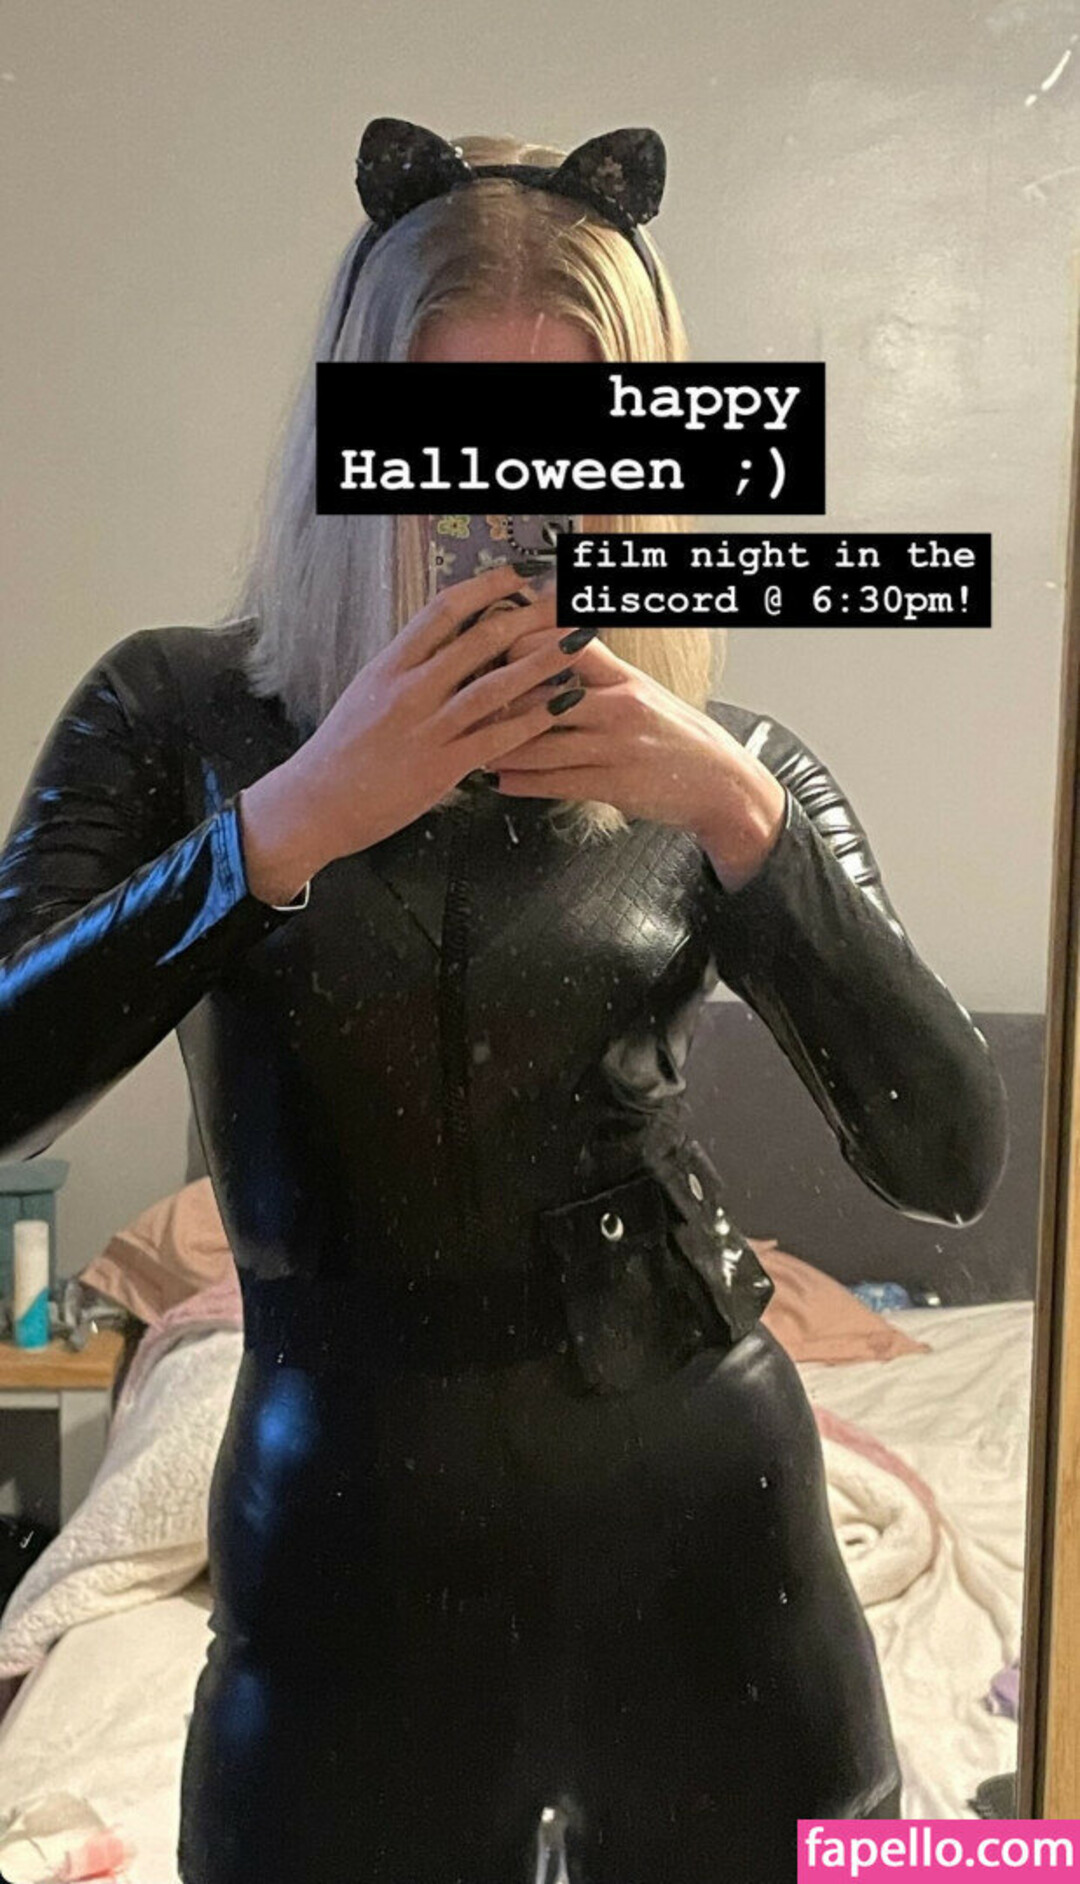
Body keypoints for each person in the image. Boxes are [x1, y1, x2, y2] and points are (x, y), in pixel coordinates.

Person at [0, 118, 1008, 1884]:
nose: (516, 498)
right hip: (346, 1547)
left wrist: (742, 819)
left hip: (709, 1522)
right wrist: (283, 829)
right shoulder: (186, 721)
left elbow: (953, 1162)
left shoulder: (726, 768)